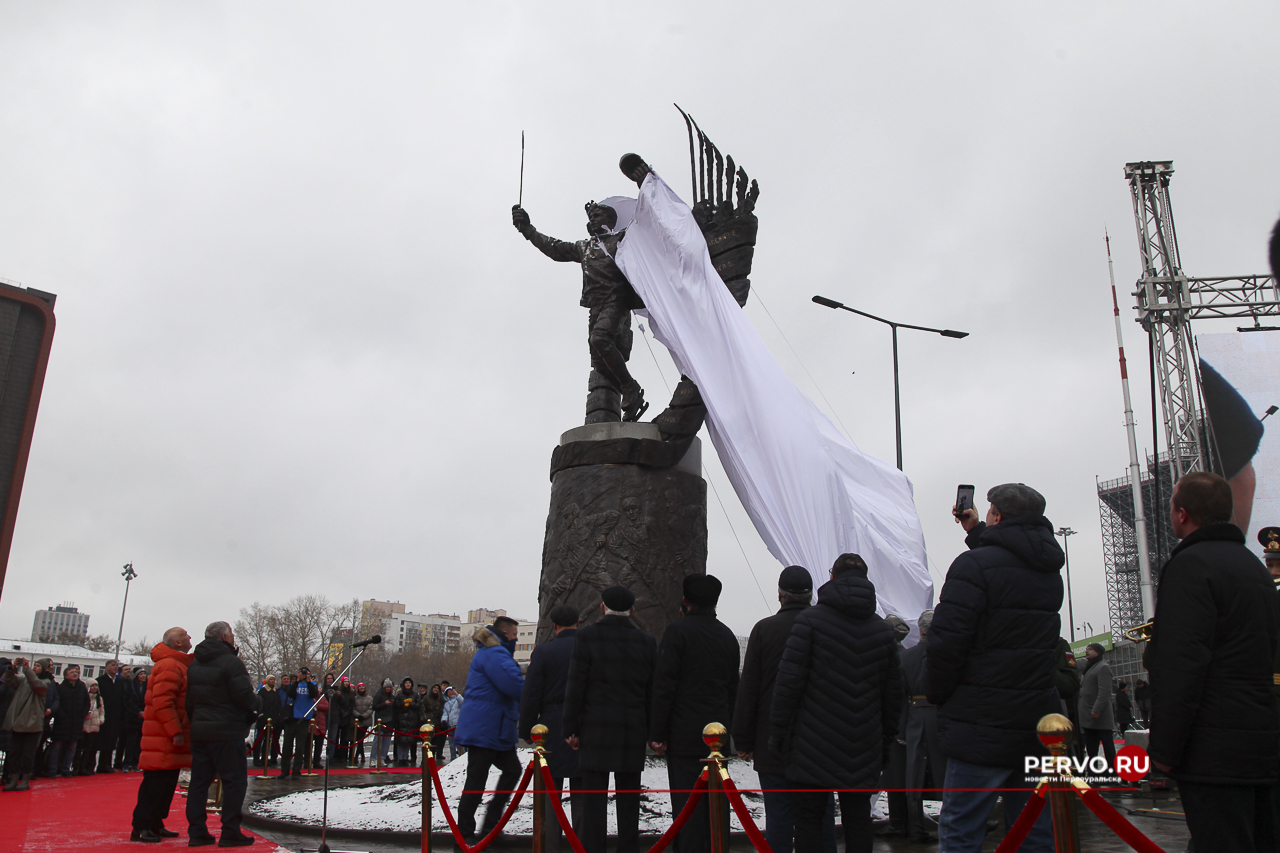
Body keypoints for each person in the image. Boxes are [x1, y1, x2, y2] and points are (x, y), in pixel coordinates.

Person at [927, 483, 1063, 853]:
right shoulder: (1049, 572)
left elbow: (946, 644)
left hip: (980, 724)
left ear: (998, 516)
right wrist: (977, 532)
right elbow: (1009, 565)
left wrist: (937, 695)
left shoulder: (971, 567)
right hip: (1035, 719)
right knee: (1032, 830)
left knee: (961, 831)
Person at [1147, 471, 1279, 851]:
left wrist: (1166, 753)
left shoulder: (1190, 566)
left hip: (1211, 749)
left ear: (1182, 514)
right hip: (1259, 741)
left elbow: (1179, 666)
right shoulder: (1253, 567)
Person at [770, 554, 902, 853]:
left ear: (831, 578)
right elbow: (893, 693)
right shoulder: (883, 631)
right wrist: (886, 740)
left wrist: (778, 735)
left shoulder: (809, 622)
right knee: (858, 821)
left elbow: (788, 684)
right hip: (864, 741)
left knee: (809, 821)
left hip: (812, 742)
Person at [511, 199, 649, 421]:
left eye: (598, 216)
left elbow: (647, 235)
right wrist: (528, 229)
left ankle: (630, 387)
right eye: (591, 217)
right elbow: (554, 248)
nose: (593, 219)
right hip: (595, 306)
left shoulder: (621, 240)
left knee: (600, 339)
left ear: (610, 221)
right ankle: (631, 394)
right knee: (599, 364)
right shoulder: (583, 247)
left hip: (616, 302)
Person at [733, 566, 838, 853]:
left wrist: (742, 739)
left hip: (772, 740)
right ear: (810, 594)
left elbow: (750, 689)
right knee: (822, 815)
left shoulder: (765, 629)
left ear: (780, 594)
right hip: (819, 741)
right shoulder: (827, 627)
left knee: (778, 815)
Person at [563, 586, 657, 853]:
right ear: (632, 610)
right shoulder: (647, 641)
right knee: (629, 800)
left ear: (602, 608)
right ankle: (629, 848)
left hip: (595, 729)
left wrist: (571, 728)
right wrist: (651, 731)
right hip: (632, 730)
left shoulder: (587, 637)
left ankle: (594, 848)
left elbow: (576, 686)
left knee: (594, 801)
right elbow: (651, 691)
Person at [650, 575, 740, 853]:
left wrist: (658, 733)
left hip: (684, 734)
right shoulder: (727, 636)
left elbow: (665, 685)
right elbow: (732, 689)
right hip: (717, 735)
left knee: (687, 805)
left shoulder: (677, 632)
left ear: (685, 601)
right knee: (716, 803)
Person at [184, 621, 260, 847]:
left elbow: (190, 701)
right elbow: (244, 696)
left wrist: (196, 721)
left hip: (201, 730)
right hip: (227, 731)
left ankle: (197, 831)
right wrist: (258, 704)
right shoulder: (231, 663)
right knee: (234, 782)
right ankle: (230, 830)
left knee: (199, 783)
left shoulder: (195, 664)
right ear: (226, 638)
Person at [519, 603, 584, 852]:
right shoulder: (588, 648)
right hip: (582, 724)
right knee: (582, 795)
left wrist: (526, 730)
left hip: (550, 726)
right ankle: (580, 844)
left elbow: (531, 694)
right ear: (578, 622)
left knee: (549, 795)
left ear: (554, 626)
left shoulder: (544, 652)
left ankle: (550, 846)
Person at [454, 616, 525, 839]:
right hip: (487, 728)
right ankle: (469, 833)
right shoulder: (496, 654)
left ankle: (487, 827)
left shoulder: (491, 653)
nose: (515, 639)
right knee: (477, 781)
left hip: (493, 727)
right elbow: (514, 686)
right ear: (505, 635)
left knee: (506, 772)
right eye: (514, 635)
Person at [131, 626, 194, 843]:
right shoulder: (169, 665)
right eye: (186, 635)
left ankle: (155, 823)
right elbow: (162, 702)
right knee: (155, 784)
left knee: (166, 783)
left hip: (164, 737)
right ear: (176, 643)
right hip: (163, 737)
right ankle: (141, 826)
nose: (190, 637)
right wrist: (175, 731)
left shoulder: (176, 664)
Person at [898, 609, 943, 843]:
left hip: (915, 715)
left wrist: (902, 728)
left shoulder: (906, 657)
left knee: (913, 773)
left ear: (921, 630)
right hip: (942, 715)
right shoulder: (947, 655)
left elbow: (901, 695)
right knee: (946, 771)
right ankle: (952, 823)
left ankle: (915, 826)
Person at [876, 613, 911, 839]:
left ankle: (899, 822)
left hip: (893, 724)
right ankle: (907, 821)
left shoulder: (889, 658)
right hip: (905, 723)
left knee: (895, 777)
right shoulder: (906, 655)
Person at [1, 657, 51, 790]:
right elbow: (9, 681)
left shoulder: (46, 682)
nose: (35, 667)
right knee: (14, 753)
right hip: (18, 721)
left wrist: (27, 669)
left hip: (32, 723)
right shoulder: (23, 679)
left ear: (44, 669)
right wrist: (12, 669)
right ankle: (14, 779)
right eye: (34, 665)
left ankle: (25, 780)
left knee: (27, 754)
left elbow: (36, 684)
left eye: (38, 666)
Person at [1077, 643, 1116, 772]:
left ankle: (1112, 773)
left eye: (1090, 649)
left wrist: (1096, 709)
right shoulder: (1090, 667)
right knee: (1091, 748)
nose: (1087, 651)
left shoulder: (1103, 667)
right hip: (1088, 714)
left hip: (1099, 715)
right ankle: (1093, 773)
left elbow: (1104, 692)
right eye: (1086, 649)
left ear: (1098, 652)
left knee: (1107, 746)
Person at [47, 663, 90, 778]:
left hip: (76, 722)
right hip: (62, 722)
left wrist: (82, 715)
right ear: (65, 676)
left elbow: (87, 702)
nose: (75, 674)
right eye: (71, 672)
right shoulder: (61, 688)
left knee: (72, 747)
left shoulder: (82, 687)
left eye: (76, 672)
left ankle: (66, 769)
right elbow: (57, 703)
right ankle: (52, 770)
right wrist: (61, 716)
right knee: (56, 746)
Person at [281, 667, 319, 778]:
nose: (303, 675)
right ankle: (285, 770)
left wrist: (308, 681)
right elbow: (290, 694)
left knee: (300, 747)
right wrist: (297, 680)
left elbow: (313, 694)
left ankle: (296, 770)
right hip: (292, 719)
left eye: (305, 673)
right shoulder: (294, 685)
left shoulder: (312, 685)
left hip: (304, 719)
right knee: (287, 746)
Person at [95, 659, 124, 773]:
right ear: (106, 667)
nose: (115, 667)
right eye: (112, 665)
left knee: (112, 741)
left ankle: (107, 764)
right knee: (101, 741)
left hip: (115, 716)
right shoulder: (100, 681)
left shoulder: (119, 682)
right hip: (103, 715)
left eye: (117, 665)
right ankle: (99, 765)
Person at [390, 677, 423, 767]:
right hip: (401, 721)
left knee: (409, 740)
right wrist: (403, 704)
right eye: (406, 683)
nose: (408, 685)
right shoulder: (400, 695)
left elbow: (419, 705)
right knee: (401, 741)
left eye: (409, 683)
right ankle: (401, 758)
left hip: (412, 721)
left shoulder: (415, 695)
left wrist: (411, 704)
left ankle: (406, 757)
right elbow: (396, 706)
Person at [76, 681, 105, 776]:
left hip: (94, 726)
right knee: (80, 748)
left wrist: (101, 720)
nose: (94, 687)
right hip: (84, 725)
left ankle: (87, 767)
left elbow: (102, 711)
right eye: (92, 685)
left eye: (96, 685)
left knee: (90, 748)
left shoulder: (99, 699)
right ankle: (77, 767)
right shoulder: (84, 696)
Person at [254, 675, 281, 768]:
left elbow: (278, 705)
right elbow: (259, 704)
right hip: (263, 720)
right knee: (259, 740)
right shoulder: (262, 691)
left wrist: (276, 717)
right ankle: (256, 759)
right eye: (271, 679)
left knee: (267, 741)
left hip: (272, 720)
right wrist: (261, 715)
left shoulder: (275, 692)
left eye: (274, 679)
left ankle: (265, 758)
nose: (273, 681)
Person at [372, 678, 395, 766]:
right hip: (380, 720)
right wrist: (384, 704)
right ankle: (373, 758)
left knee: (386, 742)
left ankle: (382, 757)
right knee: (377, 740)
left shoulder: (391, 696)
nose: (388, 689)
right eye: (387, 687)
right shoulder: (378, 695)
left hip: (389, 721)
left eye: (390, 687)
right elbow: (374, 706)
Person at [441, 686, 464, 762]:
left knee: (459, 743)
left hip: (457, 725)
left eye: (451, 691)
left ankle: (462, 757)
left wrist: (457, 695)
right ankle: (453, 758)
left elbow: (463, 703)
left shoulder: (458, 700)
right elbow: (445, 713)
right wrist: (444, 720)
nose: (450, 693)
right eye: (448, 692)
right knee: (451, 744)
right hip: (450, 726)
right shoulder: (446, 703)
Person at [353, 682, 373, 766]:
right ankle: (362, 755)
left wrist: (364, 716)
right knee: (359, 739)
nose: (361, 688)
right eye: (360, 687)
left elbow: (370, 708)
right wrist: (358, 715)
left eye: (362, 686)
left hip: (366, 721)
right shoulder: (354, 698)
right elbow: (353, 708)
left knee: (360, 738)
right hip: (357, 720)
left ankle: (357, 756)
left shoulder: (369, 698)